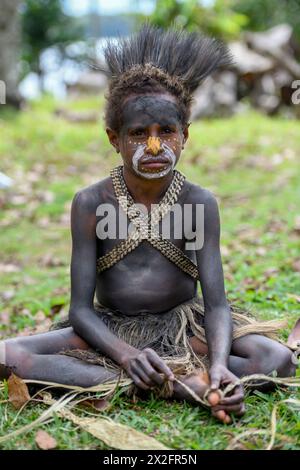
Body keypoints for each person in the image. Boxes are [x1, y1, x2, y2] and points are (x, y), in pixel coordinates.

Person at [0, 24, 297, 424]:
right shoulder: (90, 202)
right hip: (109, 332)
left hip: (183, 328)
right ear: (114, 138)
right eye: (138, 133)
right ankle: (181, 384)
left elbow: (217, 304)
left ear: (185, 136)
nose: (154, 146)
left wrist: (223, 364)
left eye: (166, 132)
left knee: (276, 358)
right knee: (8, 355)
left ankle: (191, 378)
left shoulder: (200, 202)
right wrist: (128, 354)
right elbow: (81, 311)